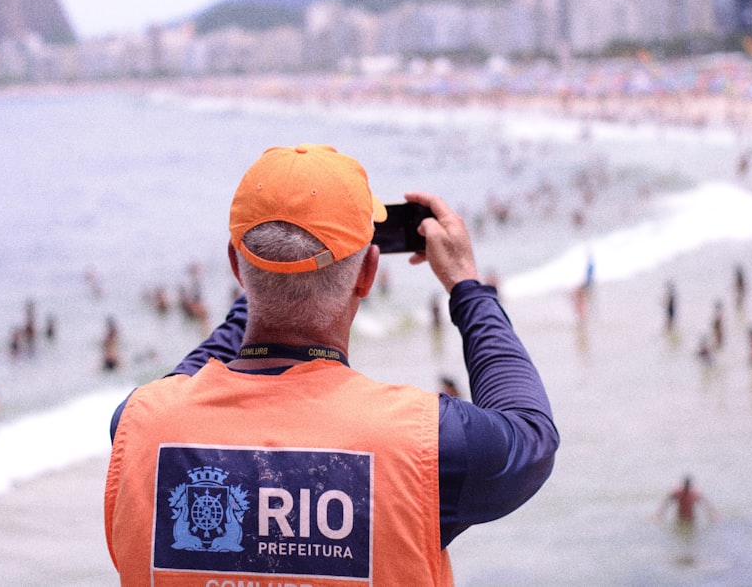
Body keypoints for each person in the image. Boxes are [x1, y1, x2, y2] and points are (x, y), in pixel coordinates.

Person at [104, 144, 559, 585]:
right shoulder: (424, 443)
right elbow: (530, 431)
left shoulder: (139, 424)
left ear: (235, 267)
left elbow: (190, 376)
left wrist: (268, 284)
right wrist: (467, 286)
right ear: (367, 274)